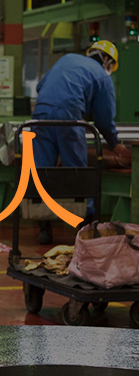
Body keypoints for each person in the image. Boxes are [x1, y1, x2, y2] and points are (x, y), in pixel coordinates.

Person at [32, 40, 129, 245]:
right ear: (107, 60)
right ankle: (85, 226)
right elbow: (104, 119)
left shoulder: (66, 59)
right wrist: (114, 143)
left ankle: (44, 228)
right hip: (69, 117)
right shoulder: (102, 76)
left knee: (42, 171)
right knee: (77, 171)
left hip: (40, 114)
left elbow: (41, 86)